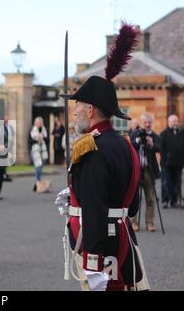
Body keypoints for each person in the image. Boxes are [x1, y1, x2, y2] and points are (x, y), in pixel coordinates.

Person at [55, 23, 149, 291]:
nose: (74, 113)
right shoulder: (123, 144)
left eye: (78, 107)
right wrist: (77, 191)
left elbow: (95, 208)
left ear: (91, 111)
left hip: (101, 243)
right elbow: (130, 204)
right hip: (120, 233)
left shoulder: (91, 147)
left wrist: (93, 264)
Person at [130, 113, 161, 231]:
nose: (147, 125)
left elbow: (160, 148)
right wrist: (138, 141)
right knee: (134, 197)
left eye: (149, 122)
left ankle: (150, 222)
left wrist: (151, 144)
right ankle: (133, 222)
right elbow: (129, 146)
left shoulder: (154, 136)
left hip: (149, 169)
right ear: (141, 124)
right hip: (137, 169)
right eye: (145, 123)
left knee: (150, 197)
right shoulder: (134, 134)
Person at [160, 114, 184, 209]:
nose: (175, 123)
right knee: (166, 182)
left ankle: (174, 201)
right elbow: (160, 148)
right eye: (173, 121)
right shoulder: (163, 134)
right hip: (166, 163)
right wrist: (167, 156)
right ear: (168, 122)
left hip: (178, 164)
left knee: (177, 183)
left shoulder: (182, 133)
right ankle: (165, 201)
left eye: (176, 121)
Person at [29, 117, 51, 193]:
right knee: (38, 167)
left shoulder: (44, 130)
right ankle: (38, 183)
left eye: (40, 123)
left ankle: (37, 184)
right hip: (35, 151)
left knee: (40, 167)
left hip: (43, 151)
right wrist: (36, 139)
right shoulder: (32, 130)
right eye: (38, 123)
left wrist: (42, 138)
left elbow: (48, 140)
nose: (39, 124)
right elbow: (30, 141)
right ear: (35, 123)